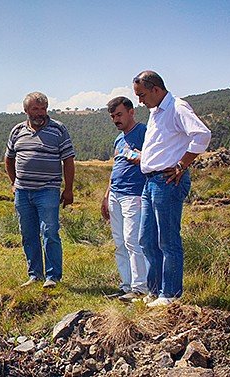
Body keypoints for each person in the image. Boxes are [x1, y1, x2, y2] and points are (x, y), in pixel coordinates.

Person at [132, 70, 211, 307]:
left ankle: (171, 295)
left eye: (142, 95)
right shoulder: (156, 111)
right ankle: (155, 291)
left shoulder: (177, 107)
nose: (140, 101)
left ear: (156, 89)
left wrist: (181, 164)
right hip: (150, 182)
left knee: (167, 240)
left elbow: (202, 134)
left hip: (167, 182)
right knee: (146, 239)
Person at [5, 92, 75, 289]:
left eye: (43, 108)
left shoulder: (58, 129)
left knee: (49, 231)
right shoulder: (17, 131)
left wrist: (68, 189)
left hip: (48, 190)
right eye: (35, 109)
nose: (40, 113)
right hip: (23, 191)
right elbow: (9, 158)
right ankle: (35, 274)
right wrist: (14, 182)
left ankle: (53, 277)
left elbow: (68, 160)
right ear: (26, 110)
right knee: (28, 233)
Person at [100, 96, 148, 302]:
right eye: (112, 116)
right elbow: (116, 167)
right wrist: (106, 194)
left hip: (134, 194)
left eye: (119, 114)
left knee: (133, 240)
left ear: (131, 112)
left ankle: (141, 287)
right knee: (119, 242)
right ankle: (126, 285)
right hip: (116, 195)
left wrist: (140, 157)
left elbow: (154, 159)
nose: (116, 120)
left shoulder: (144, 132)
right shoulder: (119, 139)